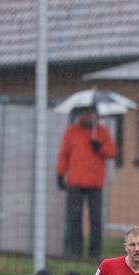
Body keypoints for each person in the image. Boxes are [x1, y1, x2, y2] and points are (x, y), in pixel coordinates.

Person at [56, 106, 118, 259]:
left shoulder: (102, 132)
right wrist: (60, 173)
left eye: (91, 114)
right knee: (74, 218)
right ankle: (74, 252)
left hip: (95, 183)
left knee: (95, 219)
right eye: (86, 114)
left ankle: (94, 254)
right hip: (75, 182)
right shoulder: (72, 132)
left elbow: (112, 152)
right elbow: (64, 154)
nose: (89, 117)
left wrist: (100, 148)